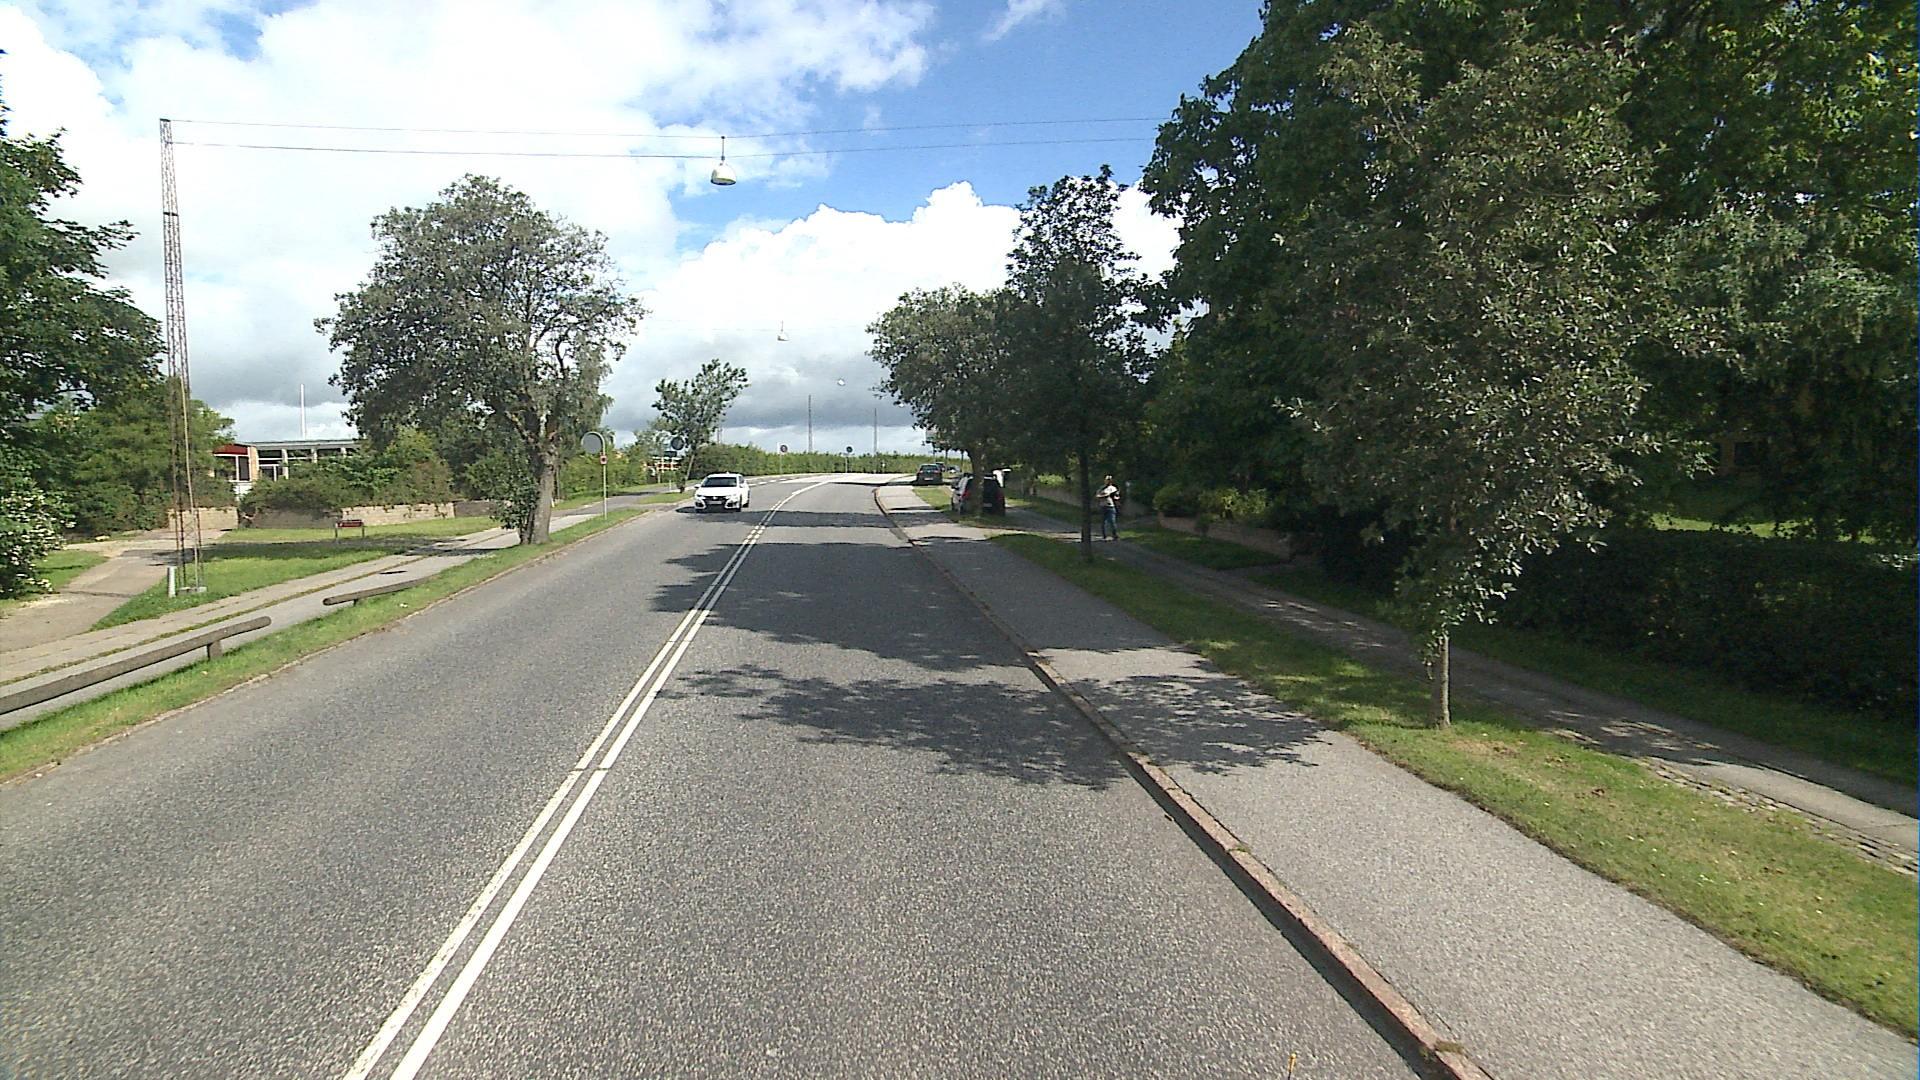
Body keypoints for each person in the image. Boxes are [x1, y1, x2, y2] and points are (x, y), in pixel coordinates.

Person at [1096, 475, 1121, 540]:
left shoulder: (1113, 488)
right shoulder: (1101, 488)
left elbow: (1116, 496)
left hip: (1110, 506)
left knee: (1112, 521)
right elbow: (1097, 496)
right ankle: (1104, 535)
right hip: (1103, 506)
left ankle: (1115, 535)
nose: (1108, 481)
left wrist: (1115, 498)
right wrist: (1104, 496)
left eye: (1109, 480)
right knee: (1103, 522)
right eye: (1107, 480)